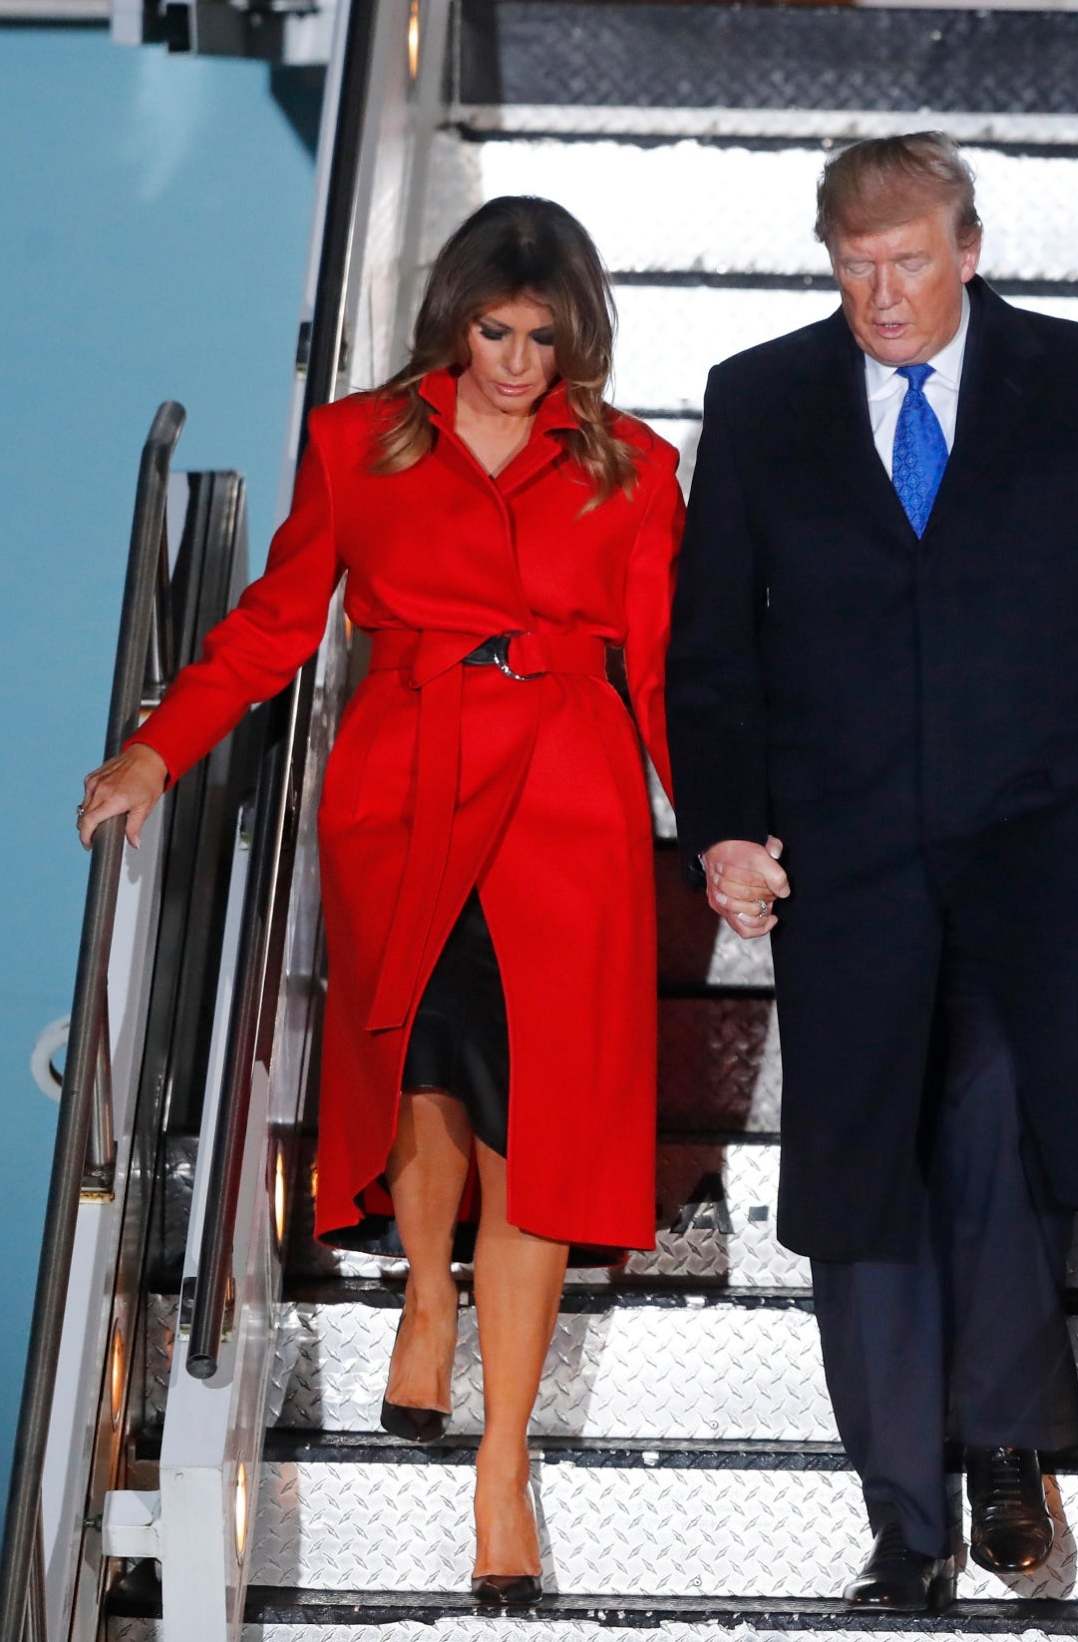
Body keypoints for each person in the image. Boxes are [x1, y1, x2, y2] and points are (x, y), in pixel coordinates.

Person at [667, 132, 1078, 1614]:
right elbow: (709, 652)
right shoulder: (763, 399)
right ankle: (907, 1519)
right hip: (837, 849)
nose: (883, 295)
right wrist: (721, 825)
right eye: (855, 269)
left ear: (968, 247)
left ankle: (1001, 1446)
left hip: (1031, 835)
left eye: (908, 262)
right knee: (861, 1174)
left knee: (986, 1112)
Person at [76, 196, 682, 1607]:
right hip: (401, 782)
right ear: (452, 319)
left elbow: (660, 667)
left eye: (546, 338)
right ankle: (425, 1283)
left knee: (539, 1116)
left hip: (569, 800)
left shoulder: (635, 466)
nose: (520, 362)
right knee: (422, 1066)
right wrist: (159, 750)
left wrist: (721, 835)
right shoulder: (359, 440)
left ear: (576, 336)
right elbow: (281, 619)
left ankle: (503, 1462)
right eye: (496, 331)